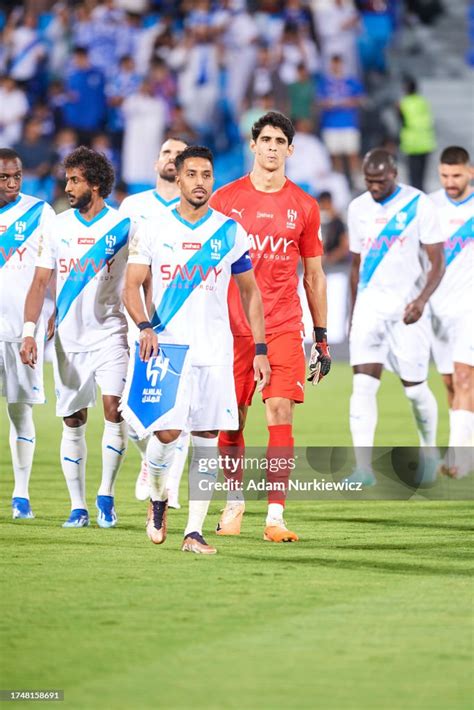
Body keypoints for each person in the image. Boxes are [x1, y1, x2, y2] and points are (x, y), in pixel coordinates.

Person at [122, 145, 270, 554]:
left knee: (206, 436)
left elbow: (251, 294)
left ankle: (194, 532)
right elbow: (131, 286)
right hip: (167, 349)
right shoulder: (153, 227)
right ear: (178, 177)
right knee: (166, 435)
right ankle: (157, 497)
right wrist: (145, 326)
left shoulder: (229, 231)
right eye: (192, 174)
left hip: (215, 350)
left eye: (207, 174)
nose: (200, 182)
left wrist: (259, 347)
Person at [209, 111, 330, 541]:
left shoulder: (305, 206)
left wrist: (321, 337)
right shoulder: (223, 201)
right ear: (253, 145)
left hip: (282, 325)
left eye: (281, 140)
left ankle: (275, 517)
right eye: (267, 139)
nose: (273, 147)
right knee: (232, 420)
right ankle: (234, 504)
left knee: (280, 412)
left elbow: (314, 276)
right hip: (233, 329)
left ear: (291, 149)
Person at [20, 146, 133, 529]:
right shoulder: (56, 226)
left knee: (114, 409)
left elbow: (143, 279)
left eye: (75, 180)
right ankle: (78, 506)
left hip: (111, 334)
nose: (67, 186)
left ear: (96, 184)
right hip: (68, 338)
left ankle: (106, 494)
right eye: (67, 179)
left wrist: (146, 324)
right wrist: (30, 331)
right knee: (73, 419)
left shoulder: (123, 227)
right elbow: (39, 282)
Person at [347, 148, 445, 486]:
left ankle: (430, 452)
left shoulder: (419, 204)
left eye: (379, 181)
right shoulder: (357, 208)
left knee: (415, 391)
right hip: (371, 309)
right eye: (368, 181)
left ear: (394, 175)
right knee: (361, 386)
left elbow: (437, 261)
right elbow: (355, 266)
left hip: (408, 311)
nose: (373, 187)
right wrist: (353, 312)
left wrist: (421, 300)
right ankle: (363, 470)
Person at [119, 137, 188, 506]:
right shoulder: (134, 206)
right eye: (165, 152)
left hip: (177, 317)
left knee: (182, 403)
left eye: (180, 154)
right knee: (130, 414)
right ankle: (150, 460)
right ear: (155, 161)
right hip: (138, 320)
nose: (172, 158)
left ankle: (169, 485)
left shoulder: (195, 207)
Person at [0, 148, 55, 519]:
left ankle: (21, 496)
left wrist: (34, 327)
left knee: (20, 413)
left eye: (16, 176)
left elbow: (46, 274)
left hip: (21, 331)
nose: (11, 183)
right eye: (4, 177)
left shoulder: (40, 213)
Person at [429, 146, 474, 478]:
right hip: (437, 309)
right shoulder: (430, 206)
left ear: (469, 172)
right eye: (445, 175)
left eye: (456, 175)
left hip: (469, 306)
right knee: (448, 382)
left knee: (463, 377)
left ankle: (458, 459)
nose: (450, 181)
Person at [399, 76, 436, 191]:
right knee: (422, 177)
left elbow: (401, 120)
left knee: (413, 178)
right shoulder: (423, 101)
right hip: (426, 142)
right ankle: (423, 196)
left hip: (412, 144)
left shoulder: (404, 103)